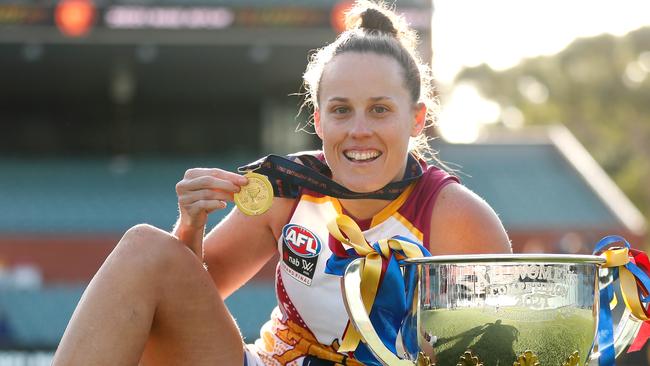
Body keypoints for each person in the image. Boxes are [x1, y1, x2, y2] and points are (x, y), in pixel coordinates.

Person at [52, 1, 511, 365]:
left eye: (380, 109)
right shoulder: (288, 186)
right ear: (318, 119)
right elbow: (189, 302)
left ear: (416, 120)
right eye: (340, 110)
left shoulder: (457, 218)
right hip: (273, 361)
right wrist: (190, 227)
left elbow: (497, 351)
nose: (359, 130)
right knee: (146, 248)